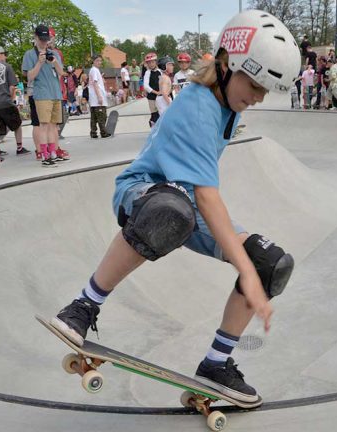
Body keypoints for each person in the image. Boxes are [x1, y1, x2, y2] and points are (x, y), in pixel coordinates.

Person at [49, 9, 298, 403]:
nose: (257, 97)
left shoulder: (228, 106)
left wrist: (253, 268)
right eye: (253, 84)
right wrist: (243, 271)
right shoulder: (198, 105)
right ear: (226, 64)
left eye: (265, 90)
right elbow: (207, 196)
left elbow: (201, 200)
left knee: (272, 264)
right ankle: (83, 306)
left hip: (186, 206)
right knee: (173, 213)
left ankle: (217, 363)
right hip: (143, 192)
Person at [22, 25, 66, 166]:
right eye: (41, 39)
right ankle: (44, 155)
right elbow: (30, 76)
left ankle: (53, 152)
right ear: (35, 37)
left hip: (55, 93)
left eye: (46, 40)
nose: (44, 42)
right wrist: (39, 63)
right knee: (44, 125)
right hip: (42, 94)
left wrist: (53, 62)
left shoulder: (54, 53)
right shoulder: (30, 54)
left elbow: (61, 73)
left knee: (54, 126)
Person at [87, 55, 110, 139]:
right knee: (102, 116)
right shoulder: (94, 70)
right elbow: (95, 83)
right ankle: (103, 132)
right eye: (97, 61)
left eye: (100, 61)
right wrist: (99, 96)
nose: (99, 62)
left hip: (93, 98)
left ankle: (93, 132)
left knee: (94, 117)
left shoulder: (93, 70)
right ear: (93, 61)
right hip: (97, 97)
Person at [143, 52, 162, 127]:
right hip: (152, 97)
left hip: (160, 97)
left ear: (155, 62)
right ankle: (153, 129)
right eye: (149, 63)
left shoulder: (160, 71)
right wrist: (156, 92)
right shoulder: (148, 73)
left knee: (160, 113)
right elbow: (146, 86)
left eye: (152, 62)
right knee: (154, 114)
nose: (151, 64)